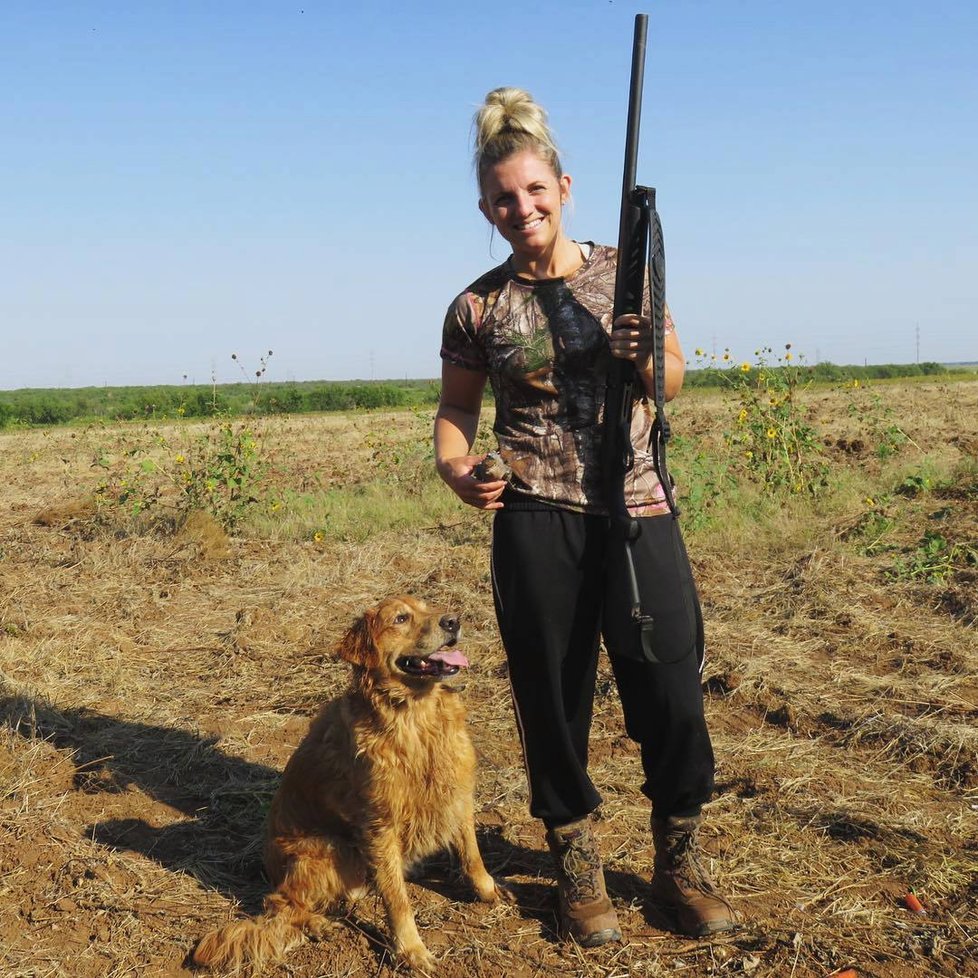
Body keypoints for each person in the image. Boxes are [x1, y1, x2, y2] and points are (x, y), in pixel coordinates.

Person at [434, 87, 736, 947]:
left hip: (638, 508)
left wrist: (645, 358)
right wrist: (457, 467)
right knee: (551, 698)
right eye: (502, 198)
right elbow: (457, 409)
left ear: (565, 187)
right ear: (486, 207)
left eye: (534, 191)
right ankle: (577, 869)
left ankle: (680, 863)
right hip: (534, 519)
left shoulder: (626, 274)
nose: (520, 209)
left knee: (673, 693)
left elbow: (673, 375)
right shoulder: (477, 306)